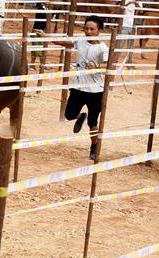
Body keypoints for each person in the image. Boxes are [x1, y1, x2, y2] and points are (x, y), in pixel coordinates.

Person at [56, 15, 110, 161]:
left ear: (99, 30)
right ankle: (80, 116)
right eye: (86, 28)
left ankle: (94, 147)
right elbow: (65, 43)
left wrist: (97, 66)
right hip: (78, 88)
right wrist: (45, 37)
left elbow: (109, 66)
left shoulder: (103, 48)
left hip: (96, 91)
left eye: (92, 29)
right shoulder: (80, 42)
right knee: (69, 115)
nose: (88, 32)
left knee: (93, 123)